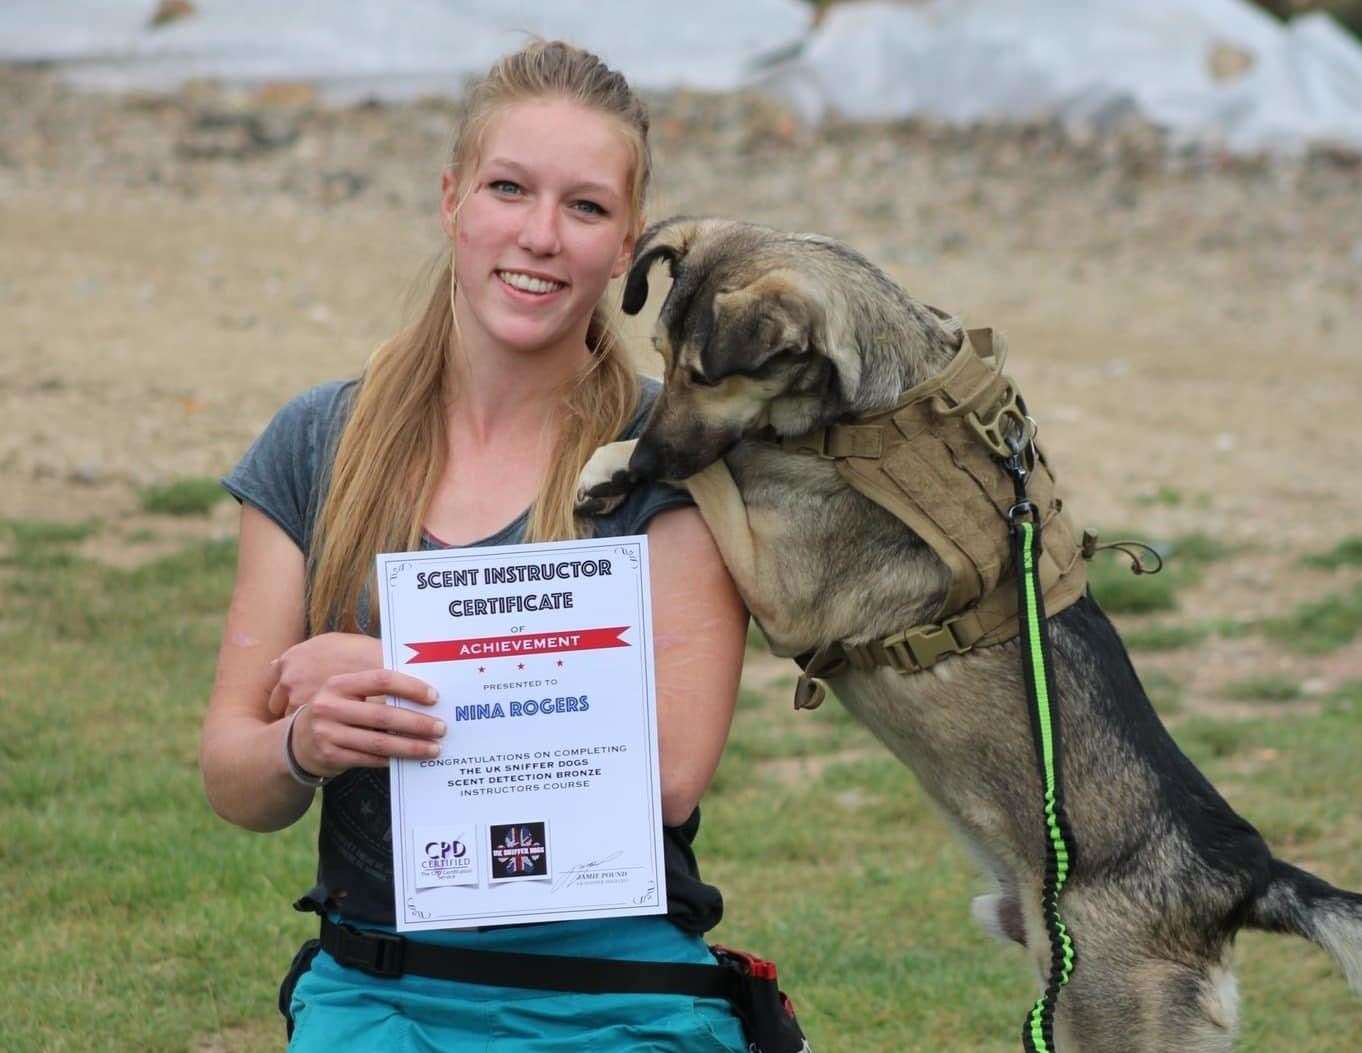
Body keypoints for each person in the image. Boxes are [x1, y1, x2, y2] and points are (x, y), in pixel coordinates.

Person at [199, 40, 751, 1051]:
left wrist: (399, 677)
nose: (540, 236)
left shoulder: (671, 456)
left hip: (618, 995)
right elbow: (234, 773)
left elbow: (667, 775)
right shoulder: (314, 443)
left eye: (585, 208)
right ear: (451, 199)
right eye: (509, 189)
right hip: (380, 991)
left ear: (626, 246)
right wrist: (301, 743)